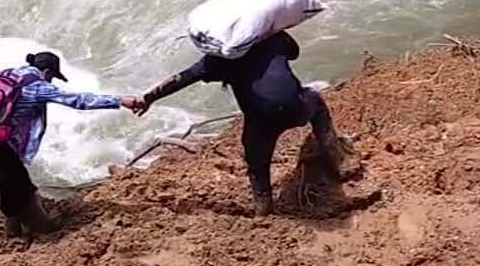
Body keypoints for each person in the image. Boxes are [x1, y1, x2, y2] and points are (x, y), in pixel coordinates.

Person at [133, 30, 341, 215]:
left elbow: (181, 78)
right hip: (295, 108)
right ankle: (337, 156)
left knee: (257, 165)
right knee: (315, 101)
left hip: (260, 121)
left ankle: (264, 207)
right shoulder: (273, 38)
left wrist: (148, 98)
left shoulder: (216, 60)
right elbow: (294, 52)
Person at [0, 51, 141, 236]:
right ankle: (42, 227)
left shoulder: (10, 74)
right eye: (52, 76)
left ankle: (13, 228)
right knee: (22, 185)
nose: (51, 81)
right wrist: (119, 100)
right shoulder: (38, 87)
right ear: (46, 71)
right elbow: (78, 100)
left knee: (9, 179)